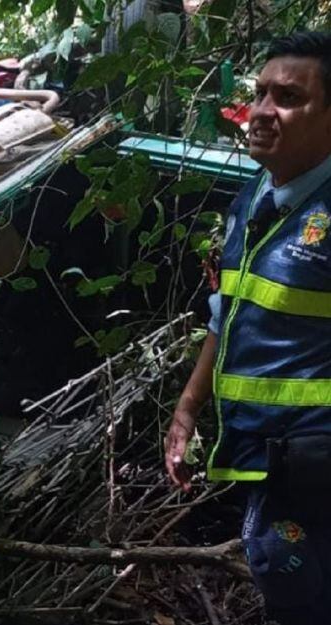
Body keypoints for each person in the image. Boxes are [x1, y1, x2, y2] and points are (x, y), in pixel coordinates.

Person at [165, 31, 331, 625]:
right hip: (267, 451)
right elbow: (226, 313)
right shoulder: (254, 199)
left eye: (286, 97)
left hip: (314, 456)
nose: (261, 111)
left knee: (286, 568)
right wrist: (188, 407)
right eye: (259, 93)